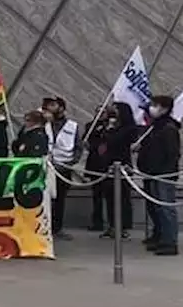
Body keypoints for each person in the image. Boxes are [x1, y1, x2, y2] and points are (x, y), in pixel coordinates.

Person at [135, 95, 181, 256]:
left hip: (163, 174)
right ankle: (160, 236)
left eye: (156, 105)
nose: (152, 108)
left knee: (166, 208)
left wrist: (161, 171)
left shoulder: (168, 128)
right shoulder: (156, 127)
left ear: (164, 108)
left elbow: (172, 154)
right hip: (153, 172)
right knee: (156, 208)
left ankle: (170, 242)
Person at [87, 103, 137, 239]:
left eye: (115, 109)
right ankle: (112, 225)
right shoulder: (109, 126)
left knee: (122, 198)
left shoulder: (128, 128)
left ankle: (122, 226)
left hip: (121, 166)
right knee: (109, 197)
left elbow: (115, 141)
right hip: (106, 166)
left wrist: (109, 130)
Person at [42, 96, 80, 240]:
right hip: (45, 166)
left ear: (61, 108)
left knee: (60, 199)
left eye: (53, 105)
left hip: (63, 168)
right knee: (45, 198)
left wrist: (72, 162)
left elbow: (78, 147)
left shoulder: (72, 125)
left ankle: (57, 228)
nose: (49, 108)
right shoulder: (43, 123)